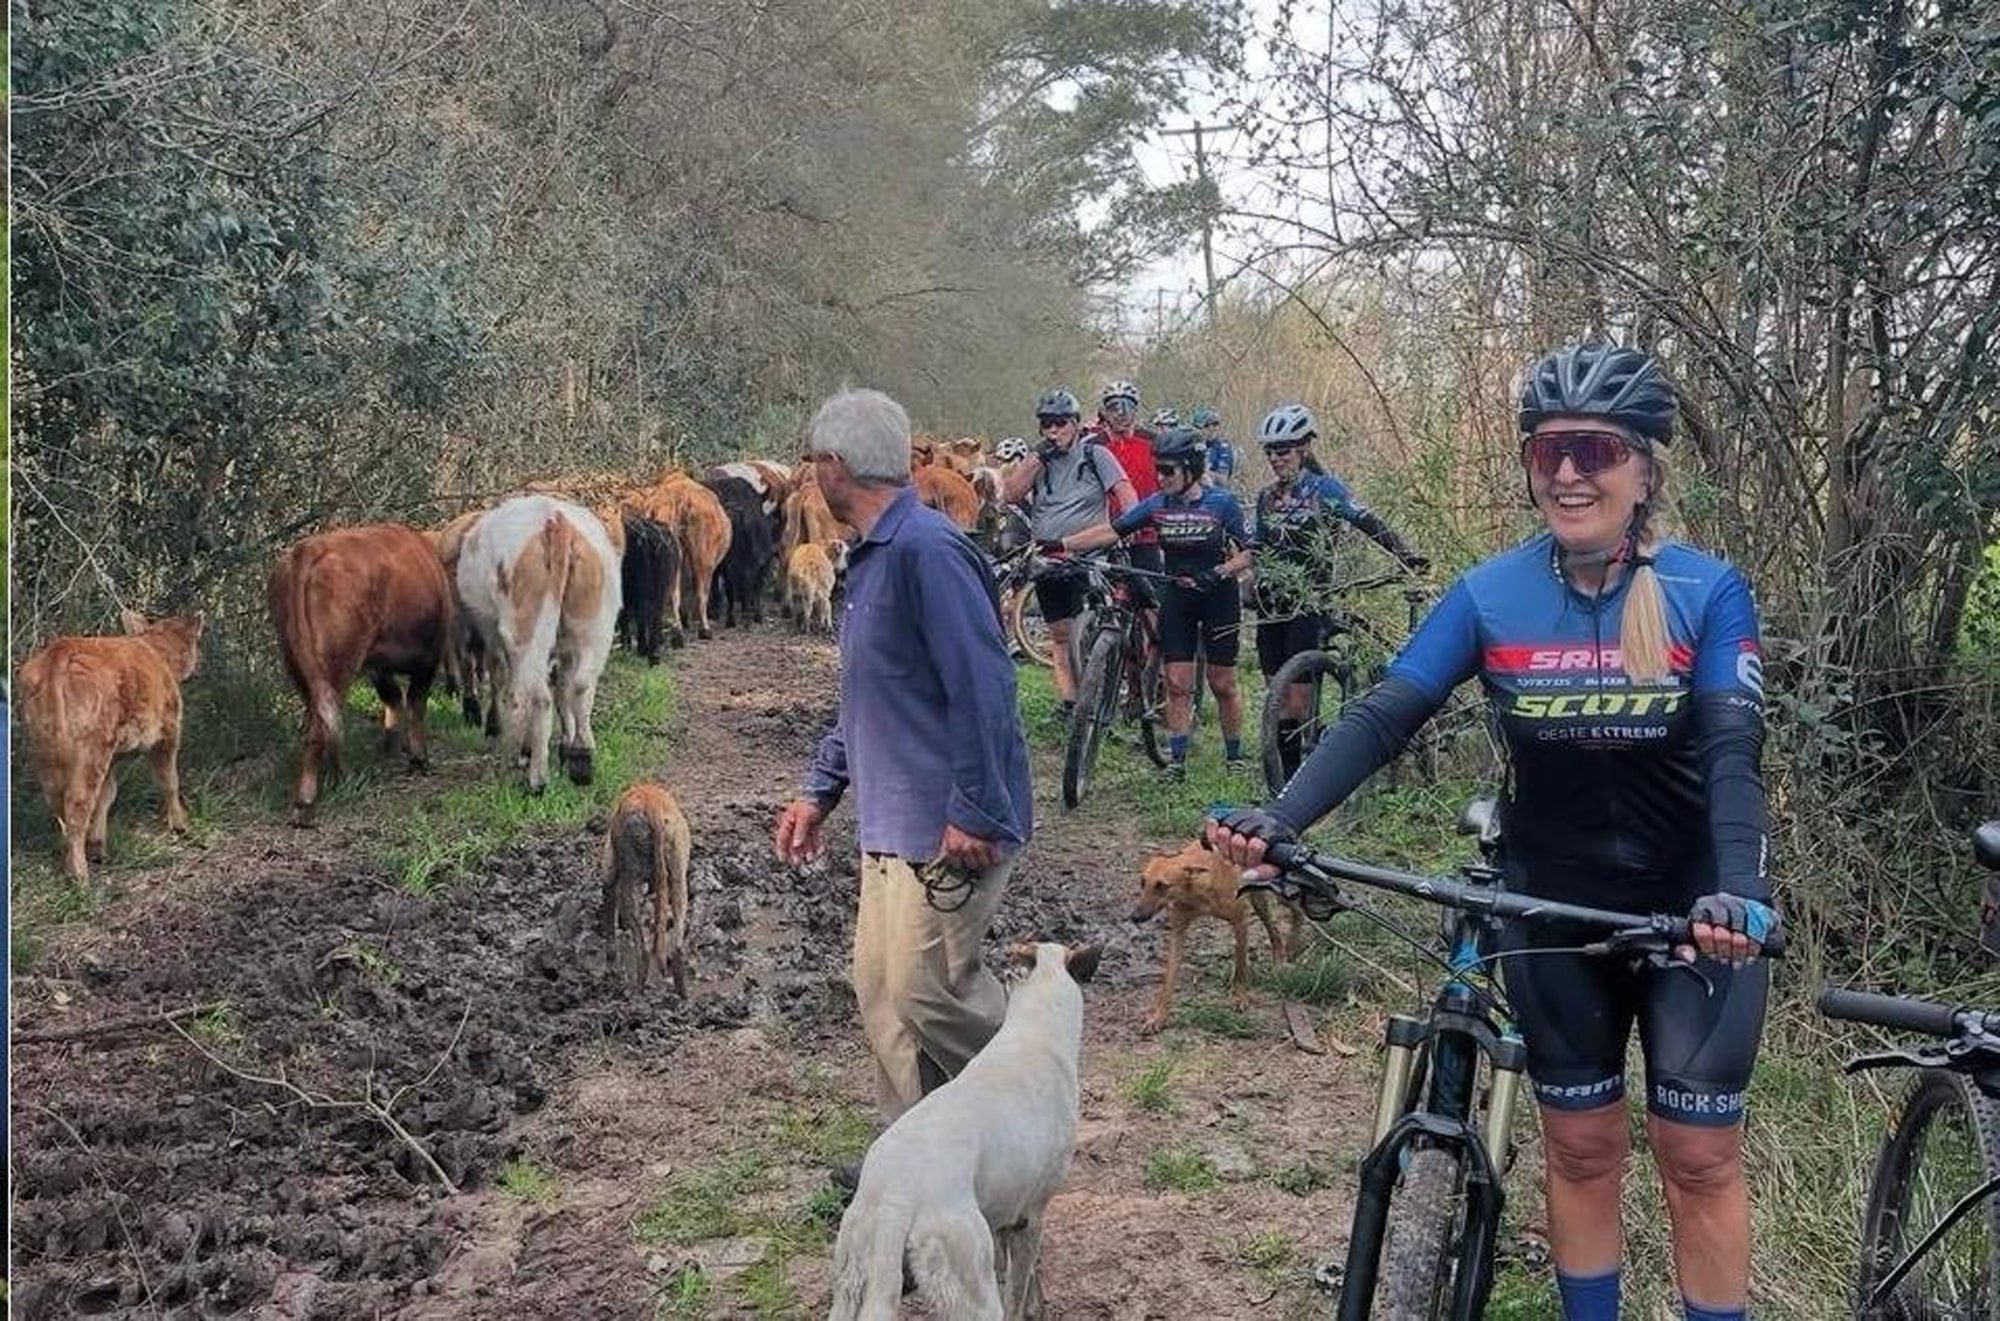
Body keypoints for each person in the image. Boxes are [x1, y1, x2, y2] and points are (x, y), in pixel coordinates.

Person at [1212, 343, 1779, 1321]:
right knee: (1579, 1146)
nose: (1565, 472)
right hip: (1547, 904)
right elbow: (1384, 713)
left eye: (1593, 449)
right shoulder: (1491, 594)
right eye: (1544, 450)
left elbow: (1732, 753)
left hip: (1695, 909)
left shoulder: (1704, 592)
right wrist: (1281, 816)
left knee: (1696, 1156)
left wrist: (1735, 890)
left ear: (1644, 465)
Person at [774, 388, 1034, 1156]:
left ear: (837, 465)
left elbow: (986, 686)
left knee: (931, 994)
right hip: (888, 824)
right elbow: (871, 694)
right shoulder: (872, 556)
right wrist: (820, 790)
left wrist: (979, 809)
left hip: (943, 826)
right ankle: (914, 1164)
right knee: (884, 997)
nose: (811, 473)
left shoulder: (927, 550)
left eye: (814, 459)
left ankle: (1027, 1107)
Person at [1054, 427, 1253, 779]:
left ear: (1191, 467)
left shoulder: (1221, 502)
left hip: (1218, 596)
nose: (1160, 477)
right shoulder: (1158, 503)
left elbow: (1251, 552)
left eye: (1168, 470)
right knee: (1177, 682)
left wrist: (1222, 571)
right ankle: (1176, 762)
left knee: (1222, 683)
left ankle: (1234, 756)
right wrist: (1062, 545)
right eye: (1158, 469)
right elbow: (1113, 530)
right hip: (1176, 596)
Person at [1249, 403, 1428, 781]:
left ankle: (1293, 781)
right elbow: (1258, 549)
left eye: (1283, 450)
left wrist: (1406, 555)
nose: (1275, 459)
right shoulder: (1266, 497)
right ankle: (1284, 773)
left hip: (1309, 600)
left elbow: (1367, 522)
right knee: (1276, 699)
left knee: (1296, 701)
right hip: (1271, 604)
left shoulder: (1324, 490)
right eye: (1270, 451)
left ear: (1305, 448)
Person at [1000, 388, 1137, 723]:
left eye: (1060, 423)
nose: (1053, 431)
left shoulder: (1096, 456)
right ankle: (1071, 704)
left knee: (1087, 630)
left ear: (1076, 424)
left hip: (1091, 552)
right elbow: (1011, 495)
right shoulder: (1039, 461)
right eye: (1046, 424)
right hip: (1048, 556)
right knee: (1060, 635)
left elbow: (1125, 491)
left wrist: (1129, 522)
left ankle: (1109, 695)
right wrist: (1035, 459)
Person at [1192, 406, 1235, 486]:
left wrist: (1199, 472)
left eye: (1215, 424)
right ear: (1197, 428)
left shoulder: (1223, 447)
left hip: (1214, 492)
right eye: (1206, 425)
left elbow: (1223, 480)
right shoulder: (1190, 445)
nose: (1212, 428)